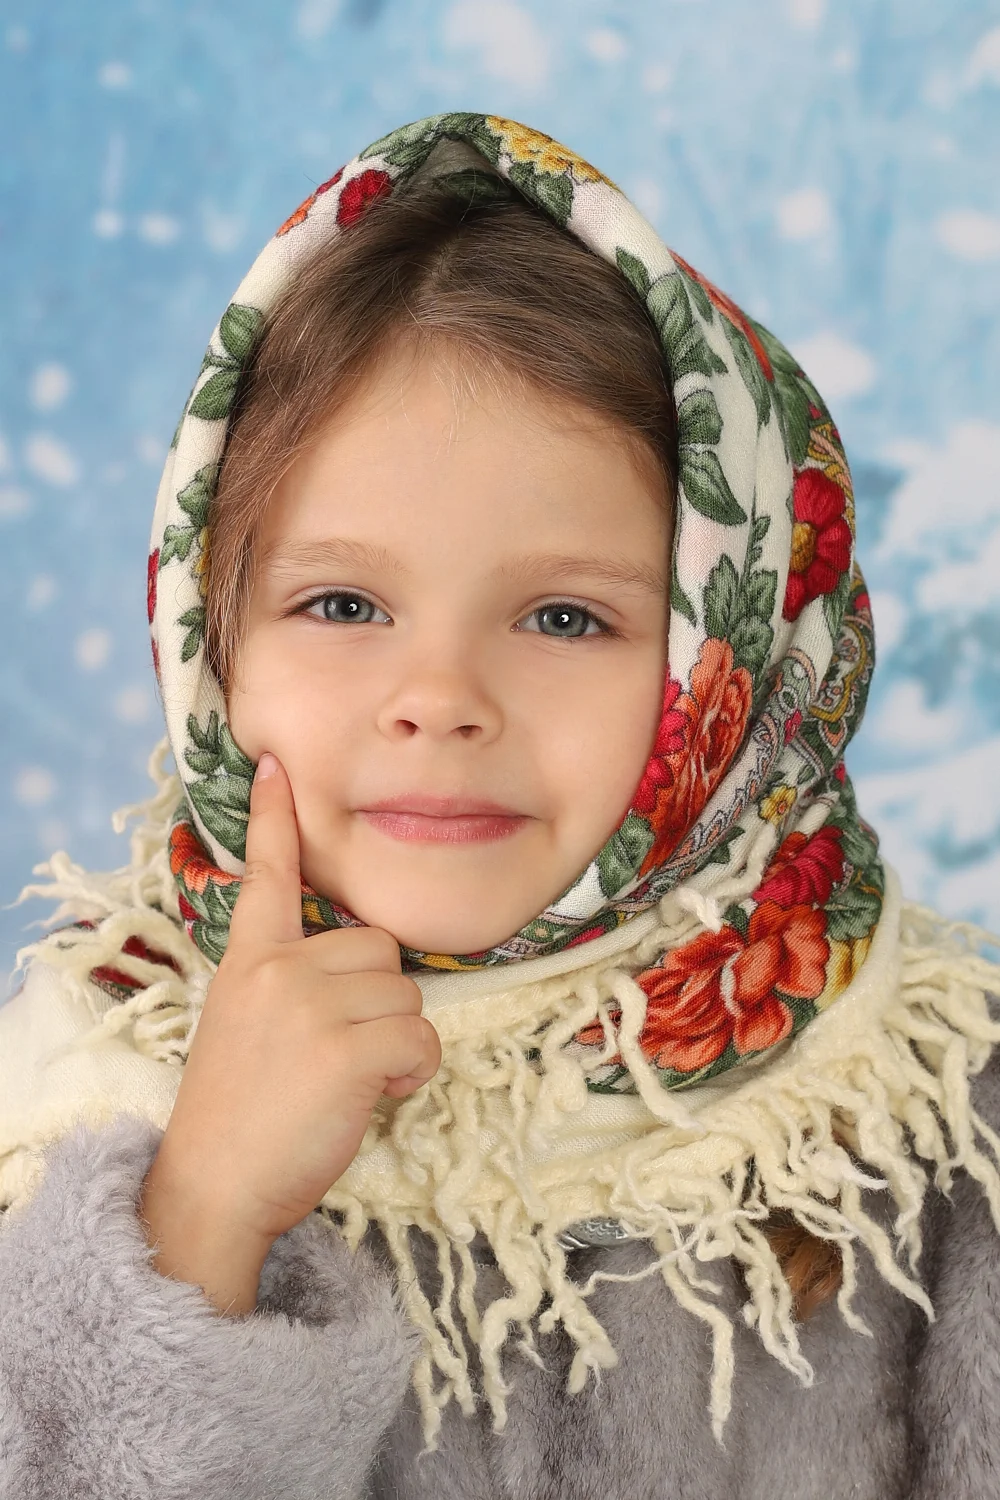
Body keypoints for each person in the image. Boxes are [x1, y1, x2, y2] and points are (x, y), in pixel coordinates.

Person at [1, 112, 998, 1500]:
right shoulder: (72, 1103)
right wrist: (201, 1215)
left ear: (739, 655)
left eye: (564, 616)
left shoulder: (929, 1119)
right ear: (206, 637)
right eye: (342, 603)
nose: (439, 699)